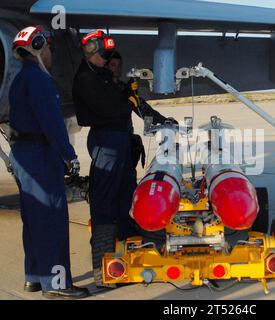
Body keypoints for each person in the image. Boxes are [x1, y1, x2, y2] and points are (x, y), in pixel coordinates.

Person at [72, 30, 170, 287]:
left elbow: (139, 106)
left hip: (121, 141)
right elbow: (110, 108)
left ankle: (128, 242)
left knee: (127, 193)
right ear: (93, 54)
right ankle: (101, 261)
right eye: (106, 59)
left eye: (114, 62)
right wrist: (127, 99)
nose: (110, 64)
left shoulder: (107, 80)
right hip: (107, 141)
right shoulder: (87, 79)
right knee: (104, 199)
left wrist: (163, 121)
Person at [9, 26, 89, 299]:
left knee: (33, 219)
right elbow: (53, 125)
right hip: (40, 156)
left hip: (22, 154)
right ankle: (56, 283)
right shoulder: (41, 81)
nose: (51, 53)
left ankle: (34, 277)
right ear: (39, 49)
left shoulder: (20, 79)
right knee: (52, 219)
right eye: (49, 48)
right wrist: (69, 155)